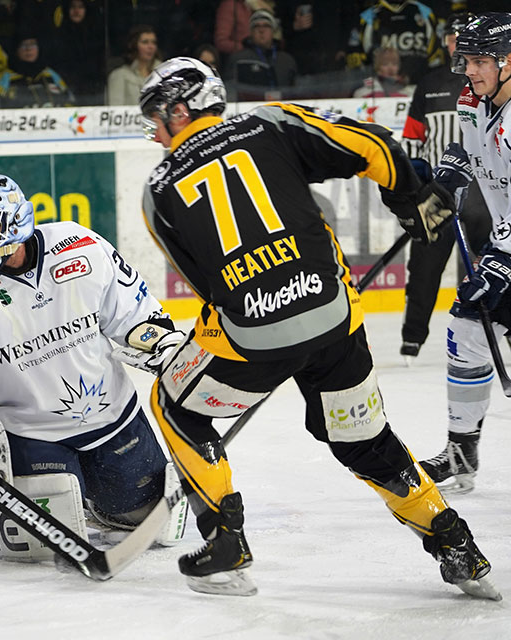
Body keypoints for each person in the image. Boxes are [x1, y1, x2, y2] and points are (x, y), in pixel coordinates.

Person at [135, 56, 496, 599]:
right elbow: (377, 147)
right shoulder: (270, 122)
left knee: (173, 404)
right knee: (364, 440)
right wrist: (412, 202)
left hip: (252, 342)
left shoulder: (158, 190)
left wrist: (217, 345)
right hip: (334, 321)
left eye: (158, 121)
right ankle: (455, 544)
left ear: (180, 110)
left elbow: (209, 290)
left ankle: (225, 541)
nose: (157, 136)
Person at [0, 172, 186, 561]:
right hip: (32, 434)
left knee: (142, 516)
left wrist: (163, 343)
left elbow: (131, 312)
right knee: (41, 544)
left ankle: (102, 497)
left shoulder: (80, 246)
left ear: (14, 221)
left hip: (112, 417)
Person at [418, 12, 511, 494]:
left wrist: (504, 262)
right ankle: (461, 450)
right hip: (506, 240)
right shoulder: (476, 99)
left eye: (481, 61)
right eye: (467, 60)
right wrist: (455, 168)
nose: (471, 71)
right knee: (466, 330)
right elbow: (474, 149)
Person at [399, 12, 490, 361]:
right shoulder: (429, 84)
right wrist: (417, 189)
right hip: (439, 193)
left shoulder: (491, 81)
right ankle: (412, 339)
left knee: (495, 266)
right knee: (423, 268)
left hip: (484, 194)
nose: (456, 45)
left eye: (461, 39)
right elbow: (411, 141)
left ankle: (506, 331)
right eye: (451, 39)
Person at [346, 0, 443, 86]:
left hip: (419, 85)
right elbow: (356, 58)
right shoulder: (368, 16)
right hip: (380, 89)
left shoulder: (424, 12)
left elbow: (436, 54)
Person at [225, 9, 297, 100]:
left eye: (266, 26)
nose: (261, 30)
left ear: (273, 31)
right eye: (256, 26)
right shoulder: (239, 60)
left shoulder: (287, 60)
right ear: (250, 32)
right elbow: (231, 92)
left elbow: (295, 92)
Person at [0, 31, 73, 108]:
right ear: (16, 50)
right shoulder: (6, 77)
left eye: (32, 44)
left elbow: (70, 100)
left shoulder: (49, 74)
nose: (28, 49)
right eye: (23, 45)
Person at [51, 0, 105, 105]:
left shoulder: (96, 36)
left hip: (93, 90)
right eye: (73, 7)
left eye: (80, 7)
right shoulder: (58, 36)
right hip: (65, 89)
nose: (76, 11)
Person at [107, 24, 160, 106]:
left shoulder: (162, 73)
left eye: (153, 42)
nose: (151, 47)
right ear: (133, 45)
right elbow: (115, 111)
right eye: (145, 42)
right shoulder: (120, 75)